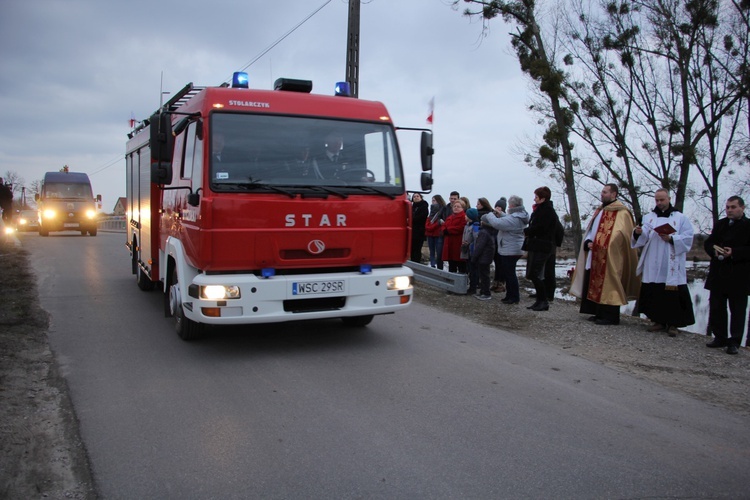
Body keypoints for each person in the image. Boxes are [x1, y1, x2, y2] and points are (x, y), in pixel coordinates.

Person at [570, 183, 640, 325]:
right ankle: (598, 312)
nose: (602, 194)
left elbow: (622, 234)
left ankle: (611, 317)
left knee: (610, 283)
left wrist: (604, 244)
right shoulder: (600, 210)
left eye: (605, 192)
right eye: (602, 192)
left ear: (614, 194)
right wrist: (588, 241)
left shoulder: (622, 212)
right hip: (594, 252)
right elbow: (591, 230)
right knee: (593, 281)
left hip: (611, 256)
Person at [631, 189, 695, 337]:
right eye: (657, 200)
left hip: (671, 259)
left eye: (662, 200)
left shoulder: (680, 218)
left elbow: (687, 238)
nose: (659, 203)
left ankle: (673, 324)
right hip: (653, 259)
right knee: (655, 289)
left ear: (669, 199)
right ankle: (658, 321)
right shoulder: (649, 217)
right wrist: (638, 232)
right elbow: (643, 237)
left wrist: (672, 238)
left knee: (672, 292)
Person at [704, 196, 750, 355]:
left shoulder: (748, 225)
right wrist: (714, 251)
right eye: (728, 207)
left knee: (737, 310)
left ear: (742, 208)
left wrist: (735, 252)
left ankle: (734, 341)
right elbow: (708, 243)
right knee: (717, 307)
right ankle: (720, 337)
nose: (729, 210)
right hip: (719, 273)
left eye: (733, 207)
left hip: (739, 275)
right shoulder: (720, 224)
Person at [483, 195, 528, 304]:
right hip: (513, 248)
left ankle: (514, 297)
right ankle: (510, 295)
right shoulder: (520, 216)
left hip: (511, 249)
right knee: (509, 273)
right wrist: (500, 214)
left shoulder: (515, 218)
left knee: (510, 274)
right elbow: (507, 219)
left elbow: (497, 223)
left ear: (512, 205)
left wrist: (490, 214)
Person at [523, 187, 560, 311]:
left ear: (543, 198)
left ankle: (543, 300)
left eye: (536, 197)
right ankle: (540, 300)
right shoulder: (541, 210)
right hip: (537, 245)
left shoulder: (547, 211)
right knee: (535, 273)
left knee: (536, 273)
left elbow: (541, 228)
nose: (534, 199)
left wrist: (527, 231)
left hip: (543, 246)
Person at [473, 214, 498, 300]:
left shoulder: (484, 232)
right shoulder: (491, 231)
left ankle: (486, 293)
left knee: (484, 276)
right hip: (487, 257)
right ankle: (483, 291)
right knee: (484, 275)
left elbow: (479, 246)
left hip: (483, 257)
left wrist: (474, 256)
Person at [442, 200, 467, 274]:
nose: (456, 208)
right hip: (449, 243)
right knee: (451, 265)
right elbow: (444, 225)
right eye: (454, 206)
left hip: (458, 243)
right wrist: (444, 230)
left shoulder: (463, 217)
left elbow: (461, 228)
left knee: (460, 264)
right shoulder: (450, 217)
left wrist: (449, 230)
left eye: (458, 207)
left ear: (462, 208)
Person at [425, 195, 447, 269]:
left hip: (438, 234)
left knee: (439, 252)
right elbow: (428, 224)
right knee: (432, 252)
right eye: (432, 200)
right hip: (430, 234)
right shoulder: (431, 211)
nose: (433, 202)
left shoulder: (443, 210)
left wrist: (433, 225)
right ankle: (432, 266)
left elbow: (441, 223)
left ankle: (439, 267)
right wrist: (435, 224)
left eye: (434, 200)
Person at [491, 197, 507, 293]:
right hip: (495, 244)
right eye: (496, 206)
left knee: (502, 266)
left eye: (499, 207)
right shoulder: (493, 217)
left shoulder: (505, 218)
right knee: (497, 265)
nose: (497, 208)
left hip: (502, 245)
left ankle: (502, 284)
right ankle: (495, 282)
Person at [464, 208, 481, 294]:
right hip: (467, 251)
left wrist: (470, 244)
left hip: (472, 251)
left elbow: (476, 239)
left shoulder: (475, 226)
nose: (465, 216)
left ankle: (473, 287)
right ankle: (471, 286)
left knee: (473, 271)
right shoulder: (467, 225)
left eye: (466, 215)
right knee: (470, 269)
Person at [410, 193, 429, 263]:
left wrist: (412, 219)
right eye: (414, 196)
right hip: (412, 231)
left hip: (419, 231)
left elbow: (422, 217)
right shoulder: (412, 207)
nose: (416, 198)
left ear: (421, 197)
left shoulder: (424, 206)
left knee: (417, 249)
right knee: (412, 249)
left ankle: (417, 263)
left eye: (417, 196)